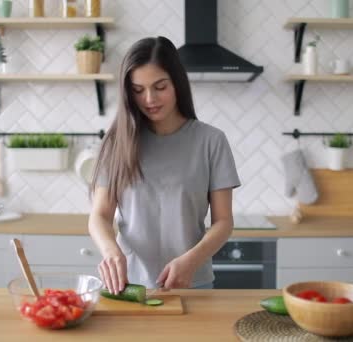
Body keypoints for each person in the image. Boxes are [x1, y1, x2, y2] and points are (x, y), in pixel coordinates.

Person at [88, 36, 240, 295]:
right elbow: (100, 216)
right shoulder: (116, 143)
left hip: (193, 283)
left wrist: (191, 261)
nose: (149, 99)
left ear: (177, 83)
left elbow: (223, 222)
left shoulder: (211, 141)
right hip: (128, 287)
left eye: (160, 86)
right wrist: (111, 251)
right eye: (138, 90)